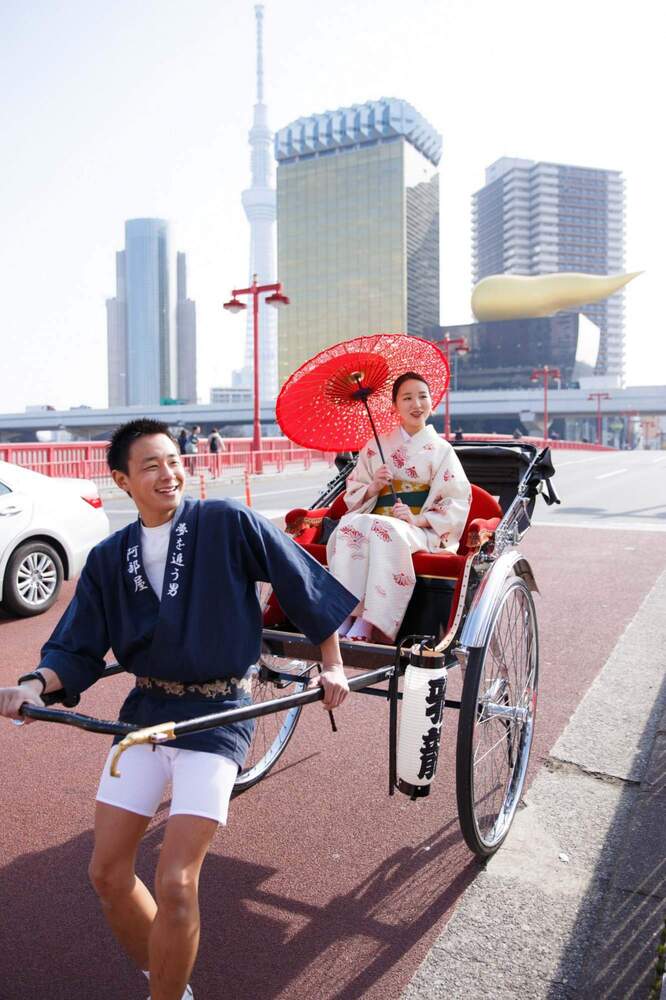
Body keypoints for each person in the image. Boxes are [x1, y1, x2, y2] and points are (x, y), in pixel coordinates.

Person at [0, 418, 356, 1000]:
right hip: (146, 712)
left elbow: (298, 582)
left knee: (177, 879)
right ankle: (168, 979)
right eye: (151, 466)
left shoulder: (225, 523)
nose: (169, 473)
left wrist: (332, 662)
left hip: (218, 716)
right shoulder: (110, 556)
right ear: (122, 480)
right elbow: (77, 644)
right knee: (107, 873)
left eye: (174, 461)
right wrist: (35, 685)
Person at [327, 372, 472, 643]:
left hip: (416, 528)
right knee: (349, 525)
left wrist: (417, 519)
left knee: (384, 530)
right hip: (375, 519)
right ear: (395, 406)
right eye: (407, 398)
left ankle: (369, 622)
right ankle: (344, 612)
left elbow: (455, 500)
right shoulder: (376, 446)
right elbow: (353, 491)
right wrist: (374, 487)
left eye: (422, 396)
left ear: (432, 403)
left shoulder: (442, 451)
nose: (416, 404)